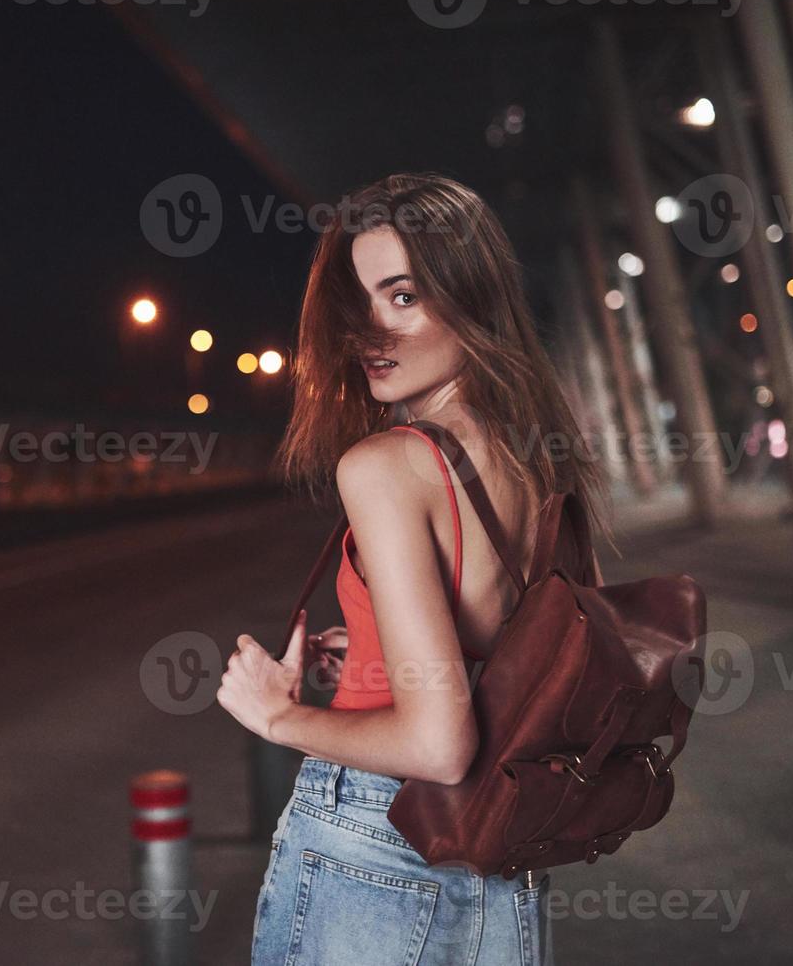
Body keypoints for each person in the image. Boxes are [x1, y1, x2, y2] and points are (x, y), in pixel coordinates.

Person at [216, 172, 608, 965]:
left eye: (402, 296)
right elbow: (543, 649)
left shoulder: (387, 464)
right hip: (500, 851)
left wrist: (277, 718)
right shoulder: (538, 458)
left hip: (378, 837)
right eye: (358, 302)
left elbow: (437, 744)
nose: (370, 329)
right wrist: (368, 651)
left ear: (472, 299)